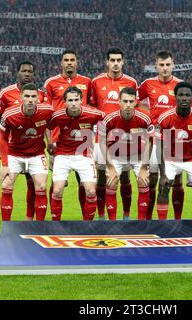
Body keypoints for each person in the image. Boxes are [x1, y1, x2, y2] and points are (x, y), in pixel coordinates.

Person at [0, 61, 46, 221]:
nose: (27, 73)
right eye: (24, 71)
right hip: (12, 148)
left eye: (30, 71)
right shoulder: (6, 93)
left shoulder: (41, 94)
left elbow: (46, 118)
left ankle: (30, 219)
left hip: (34, 147)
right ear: (18, 72)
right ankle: (6, 227)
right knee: (8, 184)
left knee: (34, 184)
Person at [156, 82, 192, 220]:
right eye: (181, 95)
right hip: (170, 158)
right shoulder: (165, 118)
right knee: (163, 187)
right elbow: (159, 148)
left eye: (187, 95)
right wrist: (163, 174)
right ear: (175, 97)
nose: (184, 98)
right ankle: (163, 225)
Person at [44, 49, 93, 215]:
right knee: (58, 182)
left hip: (83, 139)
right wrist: (49, 140)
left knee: (84, 181)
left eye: (72, 59)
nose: (69, 62)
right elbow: (46, 114)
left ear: (77, 62)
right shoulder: (51, 83)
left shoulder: (87, 82)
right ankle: (54, 218)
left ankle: (84, 215)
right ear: (61, 63)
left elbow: (91, 108)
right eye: (66, 60)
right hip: (58, 139)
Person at [91, 47, 138, 220]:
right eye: (112, 60)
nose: (116, 63)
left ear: (123, 61)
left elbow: (135, 108)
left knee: (125, 176)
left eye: (119, 60)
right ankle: (102, 217)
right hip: (102, 137)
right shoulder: (96, 82)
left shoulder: (131, 82)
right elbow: (92, 108)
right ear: (107, 62)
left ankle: (126, 216)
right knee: (102, 177)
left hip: (125, 138)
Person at [138, 50, 184, 220]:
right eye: (161, 65)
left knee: (177, 179)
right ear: (156, 66)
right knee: (153, 178)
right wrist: (148, 117)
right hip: (155, 138)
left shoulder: (180, 85)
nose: (165, 68)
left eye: (168, 65)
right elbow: (136, 102)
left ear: (173, 65)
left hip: (174, 139)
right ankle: (149, 219)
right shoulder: (147, 84)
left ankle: (177, 219)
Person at [0, 83, 53, 221]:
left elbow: (55, 126)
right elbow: (3, 138)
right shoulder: (9, 114)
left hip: (36, 154)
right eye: (27, 96)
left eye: (33, 96)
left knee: (41, 186)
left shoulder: (47, 111)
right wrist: (5, 164)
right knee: (6, 185)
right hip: (14, 154)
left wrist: (52, 143)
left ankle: (39, 228)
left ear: (38, 98)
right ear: (21, 97)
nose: (30, 99)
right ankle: (6, 227)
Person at [48, 86, 104, 221]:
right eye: (70, 100)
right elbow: (46, 127)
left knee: (91, 191)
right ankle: (56, 224)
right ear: (65, 102)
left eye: (76, 100)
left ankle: (88, 224)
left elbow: (107, 122)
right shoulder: (57, 115)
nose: (73, 103)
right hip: (62, 155)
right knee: (57, 190)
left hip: (84, 155)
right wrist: (50, 143)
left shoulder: (93, 114)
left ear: (81, 100)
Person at [99, 87, 152, 220]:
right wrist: (110, 167)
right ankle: (112, 223)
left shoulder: (144, 118)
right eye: (125, 101)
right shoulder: (109, 119)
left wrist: (144, 167)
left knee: (144, 181)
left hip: (138, 156)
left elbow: (151, 142)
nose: (128, 105)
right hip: (116, 156)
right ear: (119, 102)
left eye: (131, 101)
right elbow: (101, 142)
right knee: (111, 181)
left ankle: (141, 223)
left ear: (136, 102)